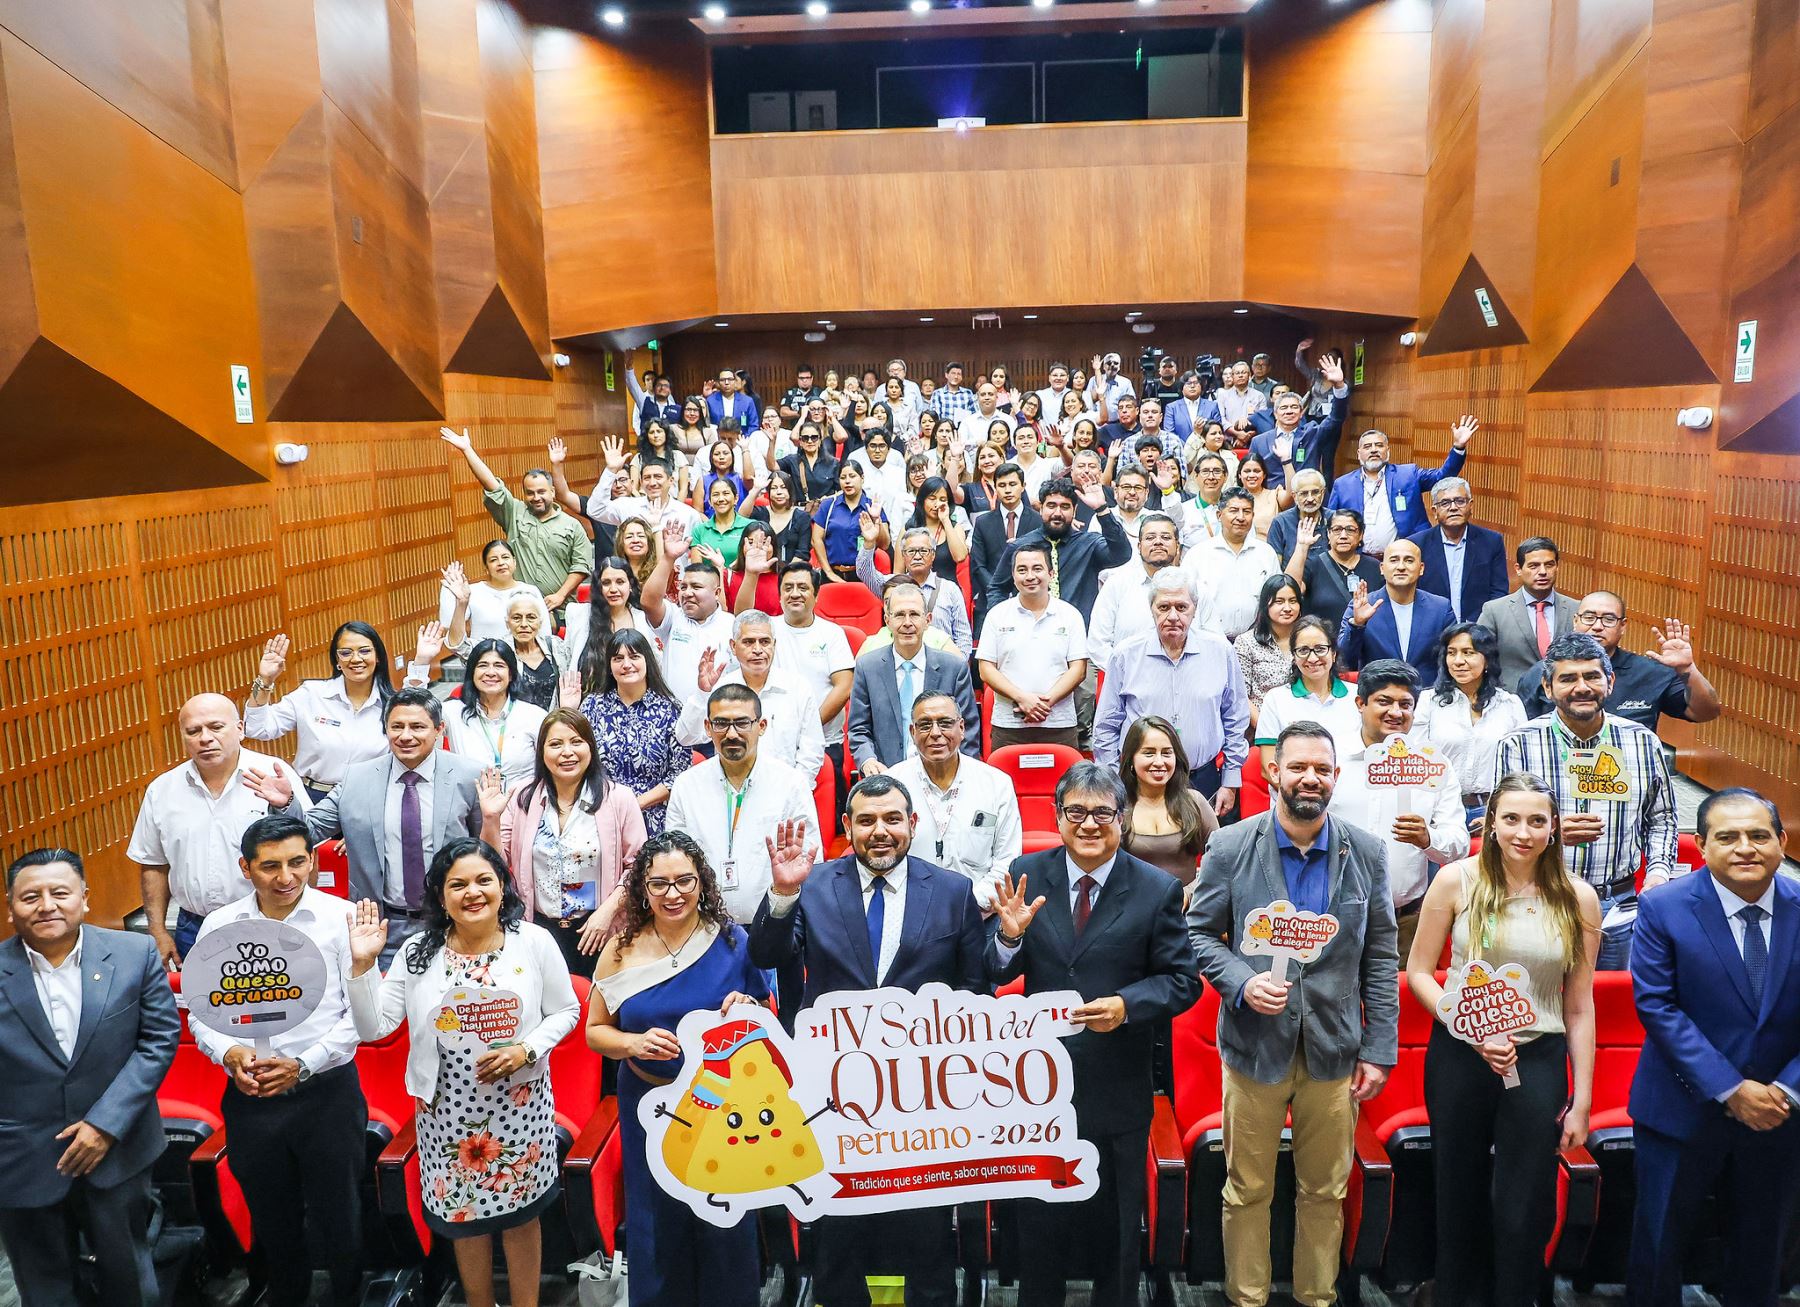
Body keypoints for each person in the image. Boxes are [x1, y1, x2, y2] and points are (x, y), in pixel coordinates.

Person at [1186, 721, 1400, 1307]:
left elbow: (1380, 957)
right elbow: (1199, 934)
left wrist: (1380, 1048)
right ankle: (1246, 1297)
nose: (1311, 778)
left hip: (1335, 1051)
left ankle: (1316, 1298)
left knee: (1325, 1191)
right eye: (1298, 766)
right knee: (1247, 1189)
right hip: (1256, 1047)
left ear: (1336, 777)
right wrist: (1240, 982)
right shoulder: (1230, 846)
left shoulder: (1368, 852)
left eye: (1322, 769)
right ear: (1273, 772)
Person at [753, 778, 988, 1307]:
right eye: (865, 821)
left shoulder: (951, 891)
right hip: (834, 1104)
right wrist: (783, 894)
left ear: (912, 824)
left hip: (923, 1105)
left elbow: (973, 990)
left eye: (891, 819)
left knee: (926, 1243)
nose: (879, 831)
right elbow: (767, 956)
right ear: (847, 828)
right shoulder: (810, 886)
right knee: (841, 1245)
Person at [987, 763, 1202, 1307]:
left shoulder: (1156, 889)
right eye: (1075, 812)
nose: (1088, 824)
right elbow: (992, 972)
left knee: (1116, 1236)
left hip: (1115, 1089)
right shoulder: (1026, 873)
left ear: (1121, 820)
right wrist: (1009, 941)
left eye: (1101, 813)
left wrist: (1128, 1006)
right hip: (1039, 1094)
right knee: (1040, 1234)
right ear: (1057, 818)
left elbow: (1183, 983)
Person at [346, 841, 580, 1307]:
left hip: (520, 1107)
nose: (472, 892)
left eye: (483, 880)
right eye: (457, 884)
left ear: (501, 885)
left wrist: (526, 1048)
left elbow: (568, 1010)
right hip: (446, 1113)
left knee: (521, 1217)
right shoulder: (418, 952)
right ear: (439, 894)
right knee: (463, 1218)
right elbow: (375, 1027)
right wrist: (362, 966)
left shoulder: (532, 941)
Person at [1404, 774, 1600, 1307]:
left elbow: (1579, 1005)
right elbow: (1421, 970)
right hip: (1461, 1053)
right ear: (1490, 823)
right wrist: (1464, 1023)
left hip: (1537, 1056)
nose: (1524, 831)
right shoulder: (1455, 880)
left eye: (1537, 820)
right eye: (1511, 818)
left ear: (1555, 828)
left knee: (1523, 1203)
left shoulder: (1578, 897)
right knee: (1458, 1191)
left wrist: (1581, 1100)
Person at [1627, 788, 1800, 1307]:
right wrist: (1729, 1089)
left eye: (1758, 835)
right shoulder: (1664, 906)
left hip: (1779, 1113)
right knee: (1659, 1245)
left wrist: (1787, 1092)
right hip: (1681, 1107)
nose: (1744, 847)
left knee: (1760, 1248)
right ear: (1701, 846)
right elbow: (1657, 1006)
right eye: (1727, 837)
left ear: (1782, 840)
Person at [191, 816, 366, 1307]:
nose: (285, 877)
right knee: (272, 1219)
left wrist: (304, 1063)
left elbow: (362, 1017)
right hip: (251, 1097)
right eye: (270, 866)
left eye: (296, 862)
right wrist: (227, 1052)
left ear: (311, 860)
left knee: (341, 1215)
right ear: (245, 868)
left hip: (326, 1094)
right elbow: (203, 1012)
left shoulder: (343, 918)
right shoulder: (221, 926)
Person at [586, 832, 767, 1307]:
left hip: (725, 1108)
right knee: (656, 1222)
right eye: (659, 883)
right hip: (649, 1106)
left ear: (702, 883)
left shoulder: (731, 939)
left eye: (684, 880)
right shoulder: (620, 948)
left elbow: (766, 1017)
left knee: (725, 1218)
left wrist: (747, 1007)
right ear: (642, 889)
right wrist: (632, 1042)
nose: (673, 893)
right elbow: (594, 1031)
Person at [0, 849, 179, 1307]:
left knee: (131, 1283)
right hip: (22, 1156)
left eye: (60, 893)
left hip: (118, 1150)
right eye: (30, 896)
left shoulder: (134, 953)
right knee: (45, 1290)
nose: (46, 905)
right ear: (10, 905)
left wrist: (105, 1124)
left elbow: (158, 1040)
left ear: (84, 897)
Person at [248, 688, 490, 964]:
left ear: (439, 730)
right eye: (396, 726)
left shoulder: (468, 776)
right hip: (381, 925)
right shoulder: (357, 779)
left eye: (418, 727)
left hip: (453, 920)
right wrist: (286, 803)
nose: (406, 736)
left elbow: (484, 847)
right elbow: (308, 832)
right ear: (385, 729)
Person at [1495, 633, 1679, 969]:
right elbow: (1501, 829)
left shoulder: (1641, 741)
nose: (1582, 687)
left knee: (1609, 1009)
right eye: (1568, 678)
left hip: (1619, 906)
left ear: (1609, 682)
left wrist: (1658, 875)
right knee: (1543, 1009)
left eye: (1592, 676)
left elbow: (1662, 818)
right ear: (1548, 688)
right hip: (1540, 899)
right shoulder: (1518, 744)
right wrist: (1549, 831)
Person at [129, 692, 309, 967]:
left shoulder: (273, 774)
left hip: (270, 920)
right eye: (193, 731)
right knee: (205, 1008)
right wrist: (158, 930)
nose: (205, 738)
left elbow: (309, 848)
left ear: (239, 729)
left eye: (215, 727)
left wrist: (287, 805)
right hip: (195, 927)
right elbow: (154, 864)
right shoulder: (163, 790)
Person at [1329, 659, 1470, 959]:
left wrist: (1427, 838)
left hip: (1404, 921)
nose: (1396, 712)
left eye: (1405, 704)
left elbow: (1458, 844)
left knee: (1395, 1004)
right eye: (1384, 701)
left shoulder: (1434, 766)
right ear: (1360, 703)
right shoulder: (1329, 757)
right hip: (1331, 916)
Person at [493, 708, 646, 978]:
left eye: (576, 742)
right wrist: (490, 819)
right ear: (541, 752)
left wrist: (607, 913)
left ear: (591, 747)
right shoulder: (522, 797)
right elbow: (496, 864)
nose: (567, 752)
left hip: (599, 929)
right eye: (555, 744)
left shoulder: (619, 798)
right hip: (539, 927)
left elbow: (639, 867)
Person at [1093, 570, 1250, 811]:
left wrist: (1230, 781)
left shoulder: (1221, 652)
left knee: (1205, 848)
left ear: (1195, 609)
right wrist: (1115, 783)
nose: (1173, 616)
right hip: (1139, 783)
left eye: (1181, 607)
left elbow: (1236, 719)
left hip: (1203, 779)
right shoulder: (1125, 654)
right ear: (1151, 609)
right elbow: (1106, 726)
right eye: (1164, 607)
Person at [664, 684, 818, 924]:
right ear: (708, 727)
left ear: (762, 726)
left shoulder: (790, 783)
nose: (732, 734)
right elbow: (673, 859)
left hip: (776, 921)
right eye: (721, 723)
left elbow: (809, 859)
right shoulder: (687, 786)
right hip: (703, 926)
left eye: (742, 723)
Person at [886, 692, 1024, 909]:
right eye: (924, 725)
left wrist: (966, 907)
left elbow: (1007, 861)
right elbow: (886, 857)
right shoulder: (892, 785)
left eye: (945, 723)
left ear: (961, 728)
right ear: (912, 732)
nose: (935, 733)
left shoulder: (996, 784)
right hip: (910, 910)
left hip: (978, 912)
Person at [1514, 590, 1722, 732]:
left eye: (1608, 619)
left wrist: (1688, 669)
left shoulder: (1649, 673)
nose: (1597, 626)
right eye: (1589, 617)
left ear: (1623, 626)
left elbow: (1705, 712)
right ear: (1575, 621)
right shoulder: (1543, 672)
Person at [441, 426, 590, 620]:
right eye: (530, 493)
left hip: (560, 611)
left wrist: (560, 596)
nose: (536, 497)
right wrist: (467, 450)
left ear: (553, 492)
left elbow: (580, 566)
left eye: (541, 492)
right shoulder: (514, 512)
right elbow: (491, 484)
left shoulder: (572, 525)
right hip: (517, 610)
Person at [245, 620, 397, 801]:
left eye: (364, 651)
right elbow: (257, 728)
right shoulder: (311, 694)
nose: (356, 659)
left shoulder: (392, 704)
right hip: (313, 797)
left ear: (378, 657)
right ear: (337, 660)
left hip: (368, 799)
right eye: (346, 653)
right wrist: (265, 680)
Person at [674, 611, 826, 780]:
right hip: (729, 790)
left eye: (765, 642)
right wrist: (702, 694)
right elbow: (685, 737)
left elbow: (812, 750)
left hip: (784, 791)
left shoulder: (798, 688)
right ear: (733, 646)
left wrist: (793, 791)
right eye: (748, 642)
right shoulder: (721, 688)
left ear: (774, 644)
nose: (758, 650)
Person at [848, 581, 980, 773]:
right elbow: (859, 729)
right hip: (886, 774)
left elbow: (967, 730)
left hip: (943, 773)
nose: (907, 623)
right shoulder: (867, 667)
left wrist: (962, 775)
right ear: (887, 620)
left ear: (928, 620)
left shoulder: (954, 668)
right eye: (899, 615)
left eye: (914, 614)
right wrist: (867, 760)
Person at [1413, 622, 1529, 826]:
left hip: (1494, 811)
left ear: (1487, 660)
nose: (1458, 661)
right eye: (1451, 653)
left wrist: (1499, 814)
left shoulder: (1510, 704)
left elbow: (1521, 768)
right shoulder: (1428, 701)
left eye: (1468, 653)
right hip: (1439, 810)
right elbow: (1416, 760)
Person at [578, 628, 692, 836]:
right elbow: (581, 764)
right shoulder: (592, 706)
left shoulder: (670, 709)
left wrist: (634, 805)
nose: (626, 664)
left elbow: (680, 773)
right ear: (609, 665)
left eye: (634, 656)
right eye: (618, 658)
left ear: (647, 661)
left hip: (655, 818)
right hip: (600, 814)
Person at [978, 543, 1089, 750]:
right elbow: (986, 669)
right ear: (1013, 575)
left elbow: (1078, 669)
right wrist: (1022, 698)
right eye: (1022, 570)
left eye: (1037, 569)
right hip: (1009, 724)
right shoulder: (997, 615)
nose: (1030, 576)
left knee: (1065, 783)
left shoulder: (1070, 615)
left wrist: (1044, 704)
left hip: (1059, 724)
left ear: (1051, 573)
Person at [1325, 419, 1476, 555]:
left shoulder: (1408, 474)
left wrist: (1458, 447)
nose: (1373, 450)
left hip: (1405, 558)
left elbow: (1442, 477)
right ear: (1359, 454)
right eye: (1367, 446)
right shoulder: (1342, 484)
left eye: (1379, 445)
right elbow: (1331, 523)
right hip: (1360, 559)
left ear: (1387, 451)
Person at [1088, 513, 1210, 674]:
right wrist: (1125, 673)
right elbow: (1098, 642)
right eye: (1150, 537)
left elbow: (1212, 640)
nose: (1158, 542)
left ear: (1178, 546)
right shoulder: (1116, 584)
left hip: (1188, 678)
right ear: (1138, 546)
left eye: (1166, 537)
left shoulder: (1197, 588)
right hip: (1126, 681)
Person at [1118, 715, 1219, 888]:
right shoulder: (1117, 806)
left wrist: (1189, 893)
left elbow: (1220, 862)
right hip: (1130, 910)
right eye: (1148, 753)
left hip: (1188, 910)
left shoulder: (1195, 802)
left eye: (1166, 753)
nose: (1159, 762)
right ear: (1131, 760)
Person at [1253, 615, 1364, 769]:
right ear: (1294, 656)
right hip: (1296, 791)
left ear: (1334, 653)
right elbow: (1269, 768)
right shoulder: (1276, 699)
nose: (1312, 658)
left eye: (1320, 649)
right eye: (1303, 650)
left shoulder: (1358, 697)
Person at [1338, 537, 1457, 679]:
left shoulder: (1440, 608)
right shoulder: (1362, 605)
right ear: (1382, 568)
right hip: (1379, 694)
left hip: (1428, 694)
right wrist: (1357, 625)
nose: (1401, 566)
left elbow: (1453, 657)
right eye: (1394, 560)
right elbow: (1343, 662)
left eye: (1409, 560)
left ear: (1421, 568)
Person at [644, 531, 736, 707]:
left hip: (720, 716)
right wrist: (668, 558)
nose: (687, 593)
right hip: (674, 714)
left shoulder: (731, 624)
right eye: (683, 587)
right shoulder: (673, 617)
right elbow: (648, 602)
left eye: (696, 587)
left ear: (717, 593)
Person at [443, 640, 549, 789]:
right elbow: (411, 714)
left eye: (499, 665)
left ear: (511, 674)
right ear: (472, 673)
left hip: (522, 806)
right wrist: (423, 661)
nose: (491, 672)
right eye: (482, 665)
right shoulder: (453, 712)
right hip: (470, 807)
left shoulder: (534, 716)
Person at [1475, 535, 1577, 688]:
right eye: (1534, 566)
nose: (1542, 572)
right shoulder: (1495, 611)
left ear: (1557, 567)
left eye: (1549, 565)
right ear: (1518, 569)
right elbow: (1479, 657)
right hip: (1513, 699)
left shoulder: (1576, 609)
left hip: (1563, 698)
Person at [858, 522, 972, 656]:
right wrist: (869, 542)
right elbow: (864, 572)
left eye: (923, 551)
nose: (917, 556)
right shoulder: (894, 585)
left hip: (942, 665)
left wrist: (957, 670)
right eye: (911, 551)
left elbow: (963, 637)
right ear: (903, 555)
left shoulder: (949, 589)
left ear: (933, 555)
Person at [1406, 474, 1508, 622]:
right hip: (1431, 629)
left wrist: (1484, 626)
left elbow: (1498, 591)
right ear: (1435, 511)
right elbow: (1409, 592)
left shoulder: (1491, 541)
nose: (1453, 508)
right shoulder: (1416, 545)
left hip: (1477, 629)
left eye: (1460, 501)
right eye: (1445, 503)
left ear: (1470, 505)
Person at [1185, 487, 1281, 639]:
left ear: (1253, 515)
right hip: (1209, 640)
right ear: (1219, 515)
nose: (1241, 517)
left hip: (1256, 642)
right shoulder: (1197, 555)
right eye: (1234, 510)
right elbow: (1186, 602)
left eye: (1247, 511)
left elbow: (1277, 598)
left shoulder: (1266, 553)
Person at [1245, 358, 1350, 490]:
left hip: (1308, 498)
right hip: (1273, 501)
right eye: (1284, 408)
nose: (1289, 411)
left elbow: (1336, 418)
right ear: (1275, 414)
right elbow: (1251, 472)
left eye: (1294, 407)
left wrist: (1339, 386)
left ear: (1301, 413)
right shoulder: (1259, 442)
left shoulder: (1312, 433)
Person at [567, 555, 659, 696]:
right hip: (586, 702)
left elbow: (654, 668)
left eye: (620, 582)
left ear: (630, 586)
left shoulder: (644, 621)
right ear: (598, 587)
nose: (613, 589)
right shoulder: (580, 616)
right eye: (606, 583)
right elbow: (567, 661)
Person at [968, 462, 1040, 634]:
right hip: (990, 601)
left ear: (1023, 486)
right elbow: (978, 566)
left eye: (1013, 484)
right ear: (995, 488)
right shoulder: (983, 522)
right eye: (1002, 485)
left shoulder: (1038, 521)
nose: (1007, 490)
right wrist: (996, 591)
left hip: (1030, 601)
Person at [439, 544, 554, 648]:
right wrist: (448, 590)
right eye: (493, 560)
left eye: (505, 557)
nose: (501, 563)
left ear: (514, 562)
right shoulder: (472, 591)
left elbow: (545, 632)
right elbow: (447, 623)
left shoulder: (530, 591)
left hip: (524, 661)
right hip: (485, 660)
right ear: (486, 567)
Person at [1290, 506, 1383, 626]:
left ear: (1361, 535)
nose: (1343, 535)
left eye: (1350, 530)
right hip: (1324, 641)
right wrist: (1301, 547)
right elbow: (1291, 590)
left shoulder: (1373, 566)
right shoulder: (1313, 564)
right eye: (1337, 529)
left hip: (1366, 639)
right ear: (1328, 534)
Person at [1233, 574, 1304, 725]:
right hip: (1260, 725)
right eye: (1279, 601)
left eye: (1293, 601)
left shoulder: (1308, 641)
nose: (1287, 608)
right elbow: (1241, 696)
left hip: (1304, 725)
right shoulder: (1246, 643)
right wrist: (1266, 729)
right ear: (1266, 605)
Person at [813, 460, 886, 583]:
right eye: (843, 477)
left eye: (852, 476)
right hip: (832, 575)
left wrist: (876, 519)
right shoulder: (828, 505)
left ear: (862, 478)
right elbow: (816, 539)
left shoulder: (872, 506)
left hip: (864, 576)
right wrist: (829, 572)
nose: (847, 481)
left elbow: (884, 544)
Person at [1265, 468, 1330, 566]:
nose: (1310, 499)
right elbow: (1274, 566)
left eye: (1315, 492)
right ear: (1294, 496)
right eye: (1303, 494)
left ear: (1323, 493)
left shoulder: (1334, 519)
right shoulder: (1281, 522)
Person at [751, 469, 813, 563]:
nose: (779, 492)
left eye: (783, 487)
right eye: (774, 488)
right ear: (768, 491)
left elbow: (802, 552)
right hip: (761, 571)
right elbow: (742, 515)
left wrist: (785, 574)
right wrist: (755, 490)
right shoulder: (760, 513)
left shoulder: (802, 517)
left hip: (791, 572)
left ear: (790, 490)